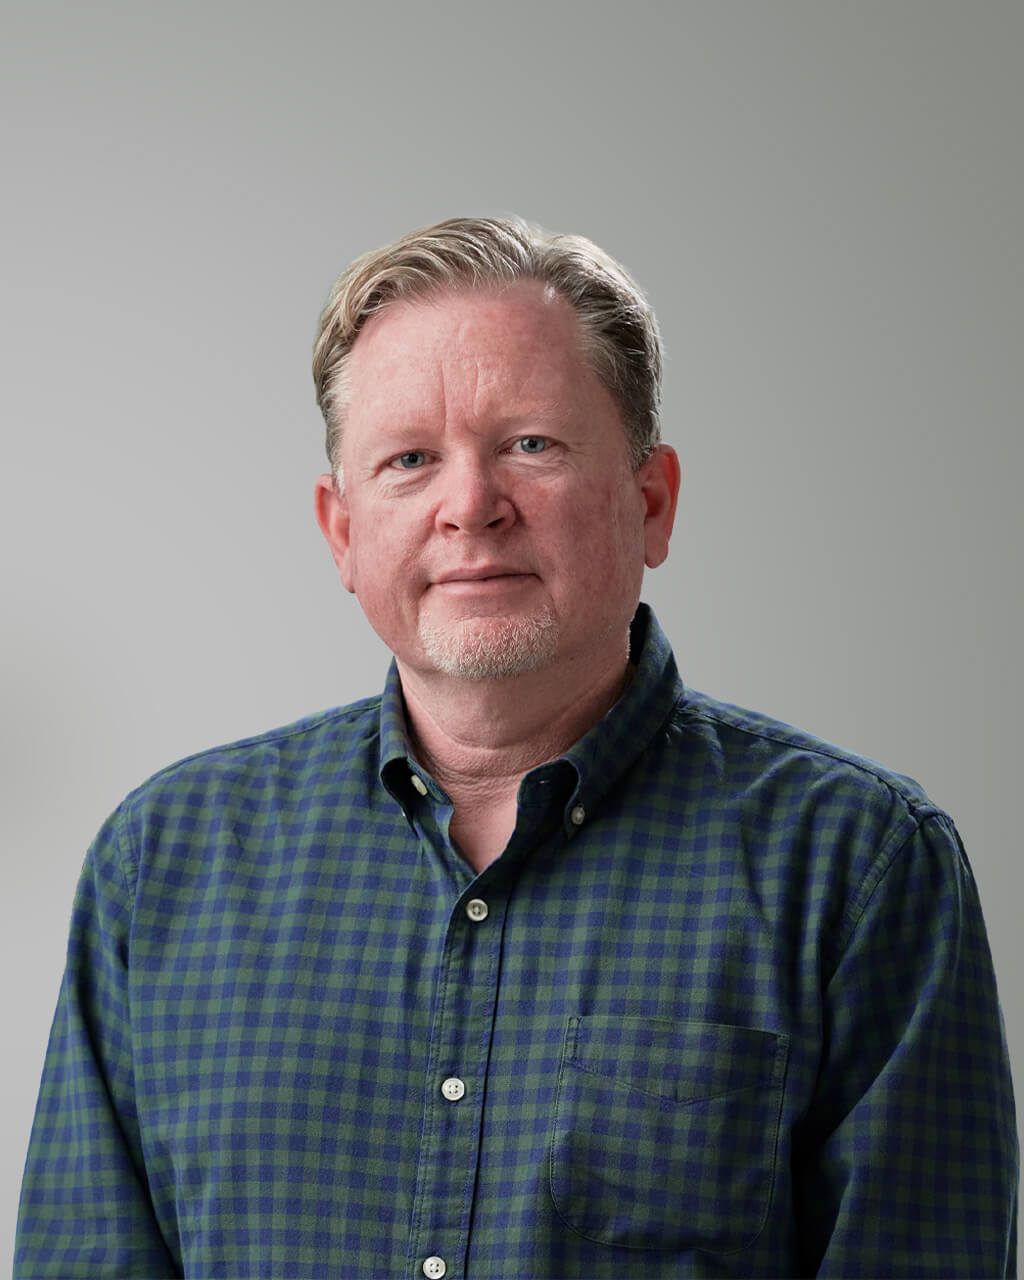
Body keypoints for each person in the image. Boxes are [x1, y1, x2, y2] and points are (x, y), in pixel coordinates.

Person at [15, 217, 1017, 1280]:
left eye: (530, 444)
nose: (469, 508)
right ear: (342, 534)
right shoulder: (160, 865)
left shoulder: (857, 868)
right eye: (408, 460)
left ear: (651, 501)